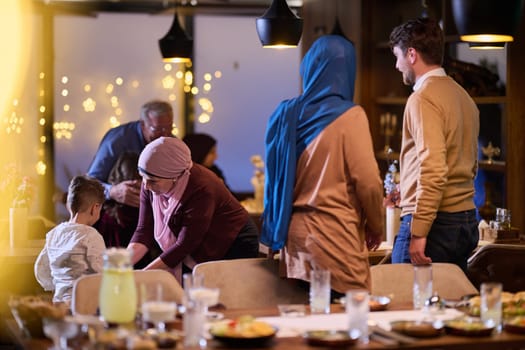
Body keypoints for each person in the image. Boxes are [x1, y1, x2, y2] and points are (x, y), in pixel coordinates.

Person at [261, 35, 384, 298]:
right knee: (349, 322)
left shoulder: (284, 114)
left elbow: (274, 181)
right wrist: (376, 224)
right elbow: (369, 181)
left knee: (312, 325)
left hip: (294, 243)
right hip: (334, 237)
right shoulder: (351, 117)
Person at [389, 18, 480, 271]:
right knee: (449, 307)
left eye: (398, 57)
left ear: (412, 54)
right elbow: (468, 164)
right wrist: (406, 187)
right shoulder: (464, 97)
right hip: (465, 221)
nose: (397, 66)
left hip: (435, 224)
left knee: (406, 305)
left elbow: (434, 169)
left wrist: (418, 232)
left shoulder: (422, 99)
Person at [126, 136, 259, 282]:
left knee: (226, 296)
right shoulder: (152, 178)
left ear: (175, 177)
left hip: (233, 240)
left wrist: (140, 276)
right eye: (142, 177)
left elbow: (185, 245)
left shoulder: (202, 188)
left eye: (152, 181)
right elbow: (144, 229)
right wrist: (120, 266)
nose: (145, 186)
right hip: (193, 243)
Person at [87, 100, 174, 208]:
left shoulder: (172, 141)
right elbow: (89, 183)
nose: (165, 135)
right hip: (115, 213)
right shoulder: (116, 141)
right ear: (142, 124)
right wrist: (112, 192)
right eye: (157, 129)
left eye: (169, 128)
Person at [34, 175, 106, 304]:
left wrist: (59, 284)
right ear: (95, 208)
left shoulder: (54, 234)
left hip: (59, 305)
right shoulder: (91, 236)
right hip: (84, 306)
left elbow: (41, 271)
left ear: (68, 205)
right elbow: (103, 276)